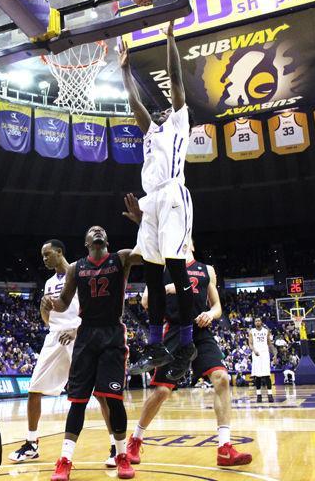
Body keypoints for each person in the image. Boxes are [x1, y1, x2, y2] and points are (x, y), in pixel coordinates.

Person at [122, 196, 251, 466]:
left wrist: (210, 314)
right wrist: (167, 289)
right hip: (173, 332)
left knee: (222, 380)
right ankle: (135, 440)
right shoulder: (167, 269)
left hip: (200, 332)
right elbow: (146, 301)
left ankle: (225, 447)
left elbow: (217, 307)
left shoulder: (207, 271)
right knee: (161, 392)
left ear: (190, 242)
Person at [120, 22, 197, 381]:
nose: (163, 110)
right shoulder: (151, 131)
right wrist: (124, 71)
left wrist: (170, 39)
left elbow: (176, 82)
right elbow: (135, 103)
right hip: (151, 201)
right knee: (150, 271)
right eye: (162, 110)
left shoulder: (180, 123)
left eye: (167, 109)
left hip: (173, 194)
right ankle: (155, 344)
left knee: (175, 266)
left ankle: (186, 343)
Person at [44, 226, 141, 480]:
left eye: (101, 230)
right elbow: (64, 302)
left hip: (112, 333)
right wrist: (51, 304)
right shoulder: (76, 268)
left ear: (106, 240)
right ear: (86, 242)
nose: (97, 230)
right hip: (86, 335)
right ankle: (64, 460)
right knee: (78, 401)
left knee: (114, 398)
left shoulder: (121, 258)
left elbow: (147, 251)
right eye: (92, 230)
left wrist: (142, 222)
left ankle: (121, 455)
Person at [10, 240, 118, 466]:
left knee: (101, 394)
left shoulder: (80, 273)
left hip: (81, 336)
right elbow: (49, 320)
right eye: (42, 256)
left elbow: (93, 309)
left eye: (47, 254)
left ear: (59, 252)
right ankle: (31, 444)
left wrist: (76, 330)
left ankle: (115, 447)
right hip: (55, 337)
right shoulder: (49, 282)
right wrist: (43, 311)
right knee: (34, 389)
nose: (44, 259)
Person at [248, 317, 274, 403]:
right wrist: (254, 350)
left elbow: (269, 343)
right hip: (256, 354)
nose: (257, 322)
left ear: (261, 322)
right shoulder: (251, 331)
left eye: (259, 320)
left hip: (265, 354)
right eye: (256, 321)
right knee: (257, 376)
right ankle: (259, 395)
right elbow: (250, 344)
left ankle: (270, 394)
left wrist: (274, 354)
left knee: (267, 375)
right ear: (254, 323)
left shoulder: (266, 331)